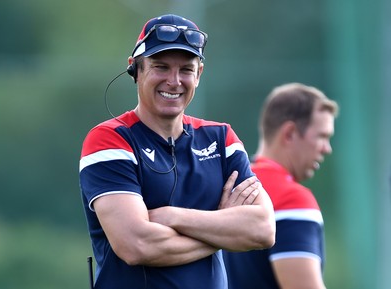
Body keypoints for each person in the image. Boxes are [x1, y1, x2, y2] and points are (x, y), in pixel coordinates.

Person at [79, 14, 275, 289]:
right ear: (135, 69)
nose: (174, 81)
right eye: (161, 67)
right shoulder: (109, 140)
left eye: (186, 69)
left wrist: (173, 216)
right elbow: (137, 245)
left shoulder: (221, 138)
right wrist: (222, 227)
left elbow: (263, 230)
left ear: (199, 74)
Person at [223, 83, 339, 289]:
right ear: (290, 133)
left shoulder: (230, 186)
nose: (327, 149)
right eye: (322, 136)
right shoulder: (291, 199)